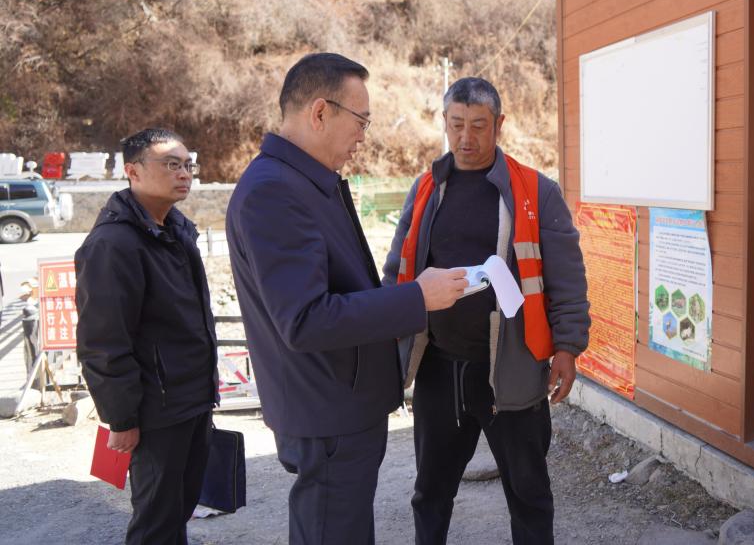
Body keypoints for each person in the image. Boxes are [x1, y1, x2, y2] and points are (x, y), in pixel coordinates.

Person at [226, 53, 467, 545]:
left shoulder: (303, 181)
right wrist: (416, 298)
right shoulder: (274, 192)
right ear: (320, 112)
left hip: (338, 403)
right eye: (361, 121)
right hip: (327, 410)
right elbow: (306, 319)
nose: (363, 136)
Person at [382, 77, 591, 545]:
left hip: (511, 369)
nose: (466, 138)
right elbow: (397, 269)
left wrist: (568, 347)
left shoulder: (535, 191)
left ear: (499, 124)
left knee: (529, 493)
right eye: (457, 124)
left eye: (478, 126)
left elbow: (567, 278)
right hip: (439, 368)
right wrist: (385, 333)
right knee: (430, 493)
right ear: (444, 121)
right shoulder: (426, 189)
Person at [75, 128, 217, 545]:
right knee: (156, 522)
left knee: (179, 511)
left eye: (188, 164)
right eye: (171, 164)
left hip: (192, 399)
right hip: (156, 410)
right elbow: (103, 340)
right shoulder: (113, 244)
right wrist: (121, 418)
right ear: (132, 171)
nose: (184, 173)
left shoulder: (176, 229)